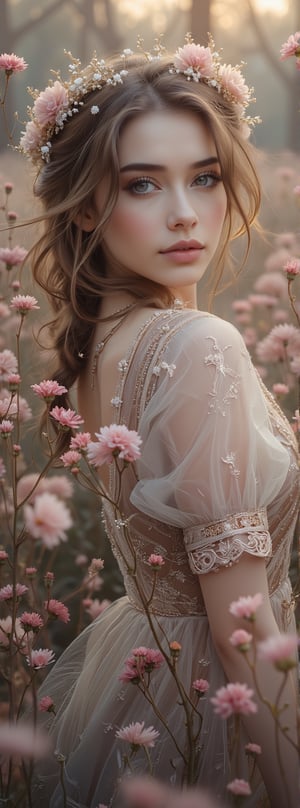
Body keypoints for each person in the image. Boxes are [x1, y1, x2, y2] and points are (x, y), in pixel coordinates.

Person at [20, 37, 299, 807]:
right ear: (84, 203)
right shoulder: (196, 343)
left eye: (205, 177)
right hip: (222, 708)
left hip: (143, 672)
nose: (185, 215)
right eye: (142, 185)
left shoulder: (103, 341)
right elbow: (243, 628)